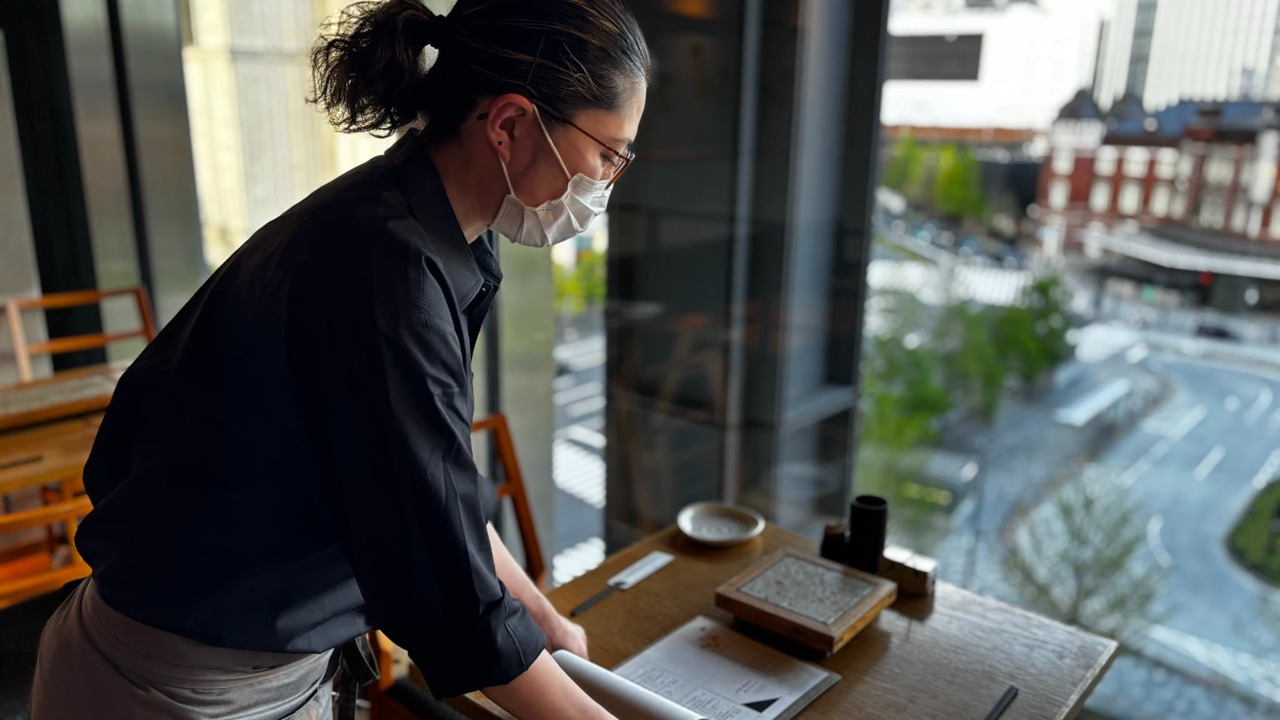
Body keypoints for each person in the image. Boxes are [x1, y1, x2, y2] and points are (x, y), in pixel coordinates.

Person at [30, 0, 648, 717]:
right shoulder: (388, 272)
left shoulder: (437, 239)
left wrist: (541, 616)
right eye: (608, 154)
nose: (607, 182)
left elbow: (430, 485)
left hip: (239, 663)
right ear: (510, 124)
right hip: (175, 684)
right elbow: (450, 599)